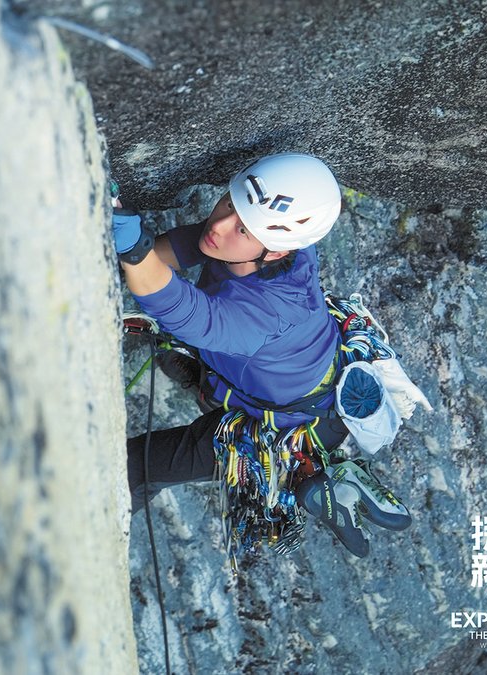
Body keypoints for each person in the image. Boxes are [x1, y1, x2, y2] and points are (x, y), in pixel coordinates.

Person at [112, 153, 411, 558]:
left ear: (273, 252)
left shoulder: (264, 314)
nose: (219, 226)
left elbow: (181, 310)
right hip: (290, 385)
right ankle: (327, 478)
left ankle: (85, 539)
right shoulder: (273, 244)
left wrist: (133, 250)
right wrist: (135, 251)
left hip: (278, 433)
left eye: (242, 228)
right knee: (178, 360)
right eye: (229, 204)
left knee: (137, 466)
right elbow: (192, 246)